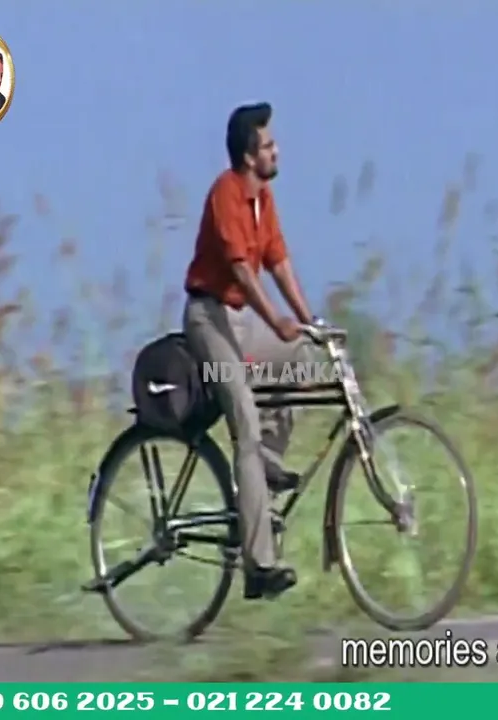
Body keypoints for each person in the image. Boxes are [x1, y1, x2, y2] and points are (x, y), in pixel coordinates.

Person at [182, 102, 318, 600]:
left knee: (300, 357)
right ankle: (259, 566)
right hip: (209, 321)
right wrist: (275, 319)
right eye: (268, 145)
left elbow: (278, 263)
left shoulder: (264, 200)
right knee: (243, 417)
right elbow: (241, 270)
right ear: (248, 155)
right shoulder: (226, 193)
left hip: (240, 322)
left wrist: (307, 321)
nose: (276, 151)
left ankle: (265, 464)